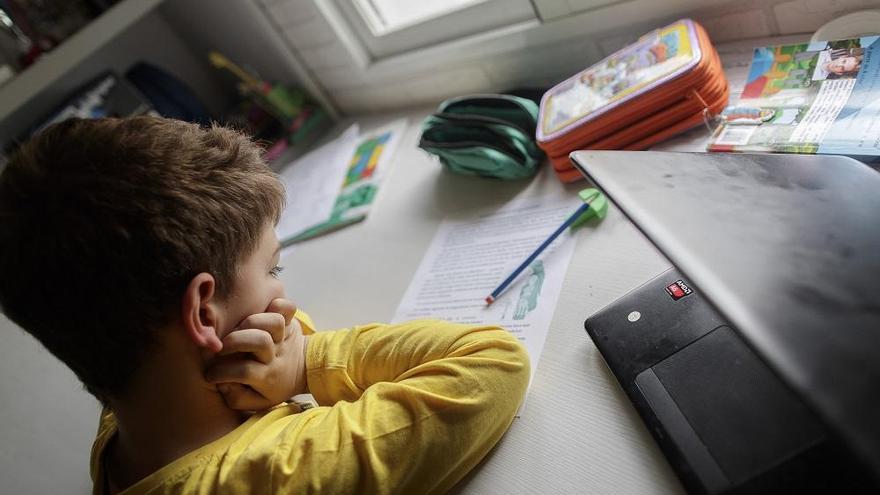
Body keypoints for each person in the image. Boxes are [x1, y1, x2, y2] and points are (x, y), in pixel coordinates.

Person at [0, 117, 530, 494]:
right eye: (272, 269)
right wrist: (304, 365)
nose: (285, 298)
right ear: (204, 315)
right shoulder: (283, 472)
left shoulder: (126, 413)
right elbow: (492, 364)